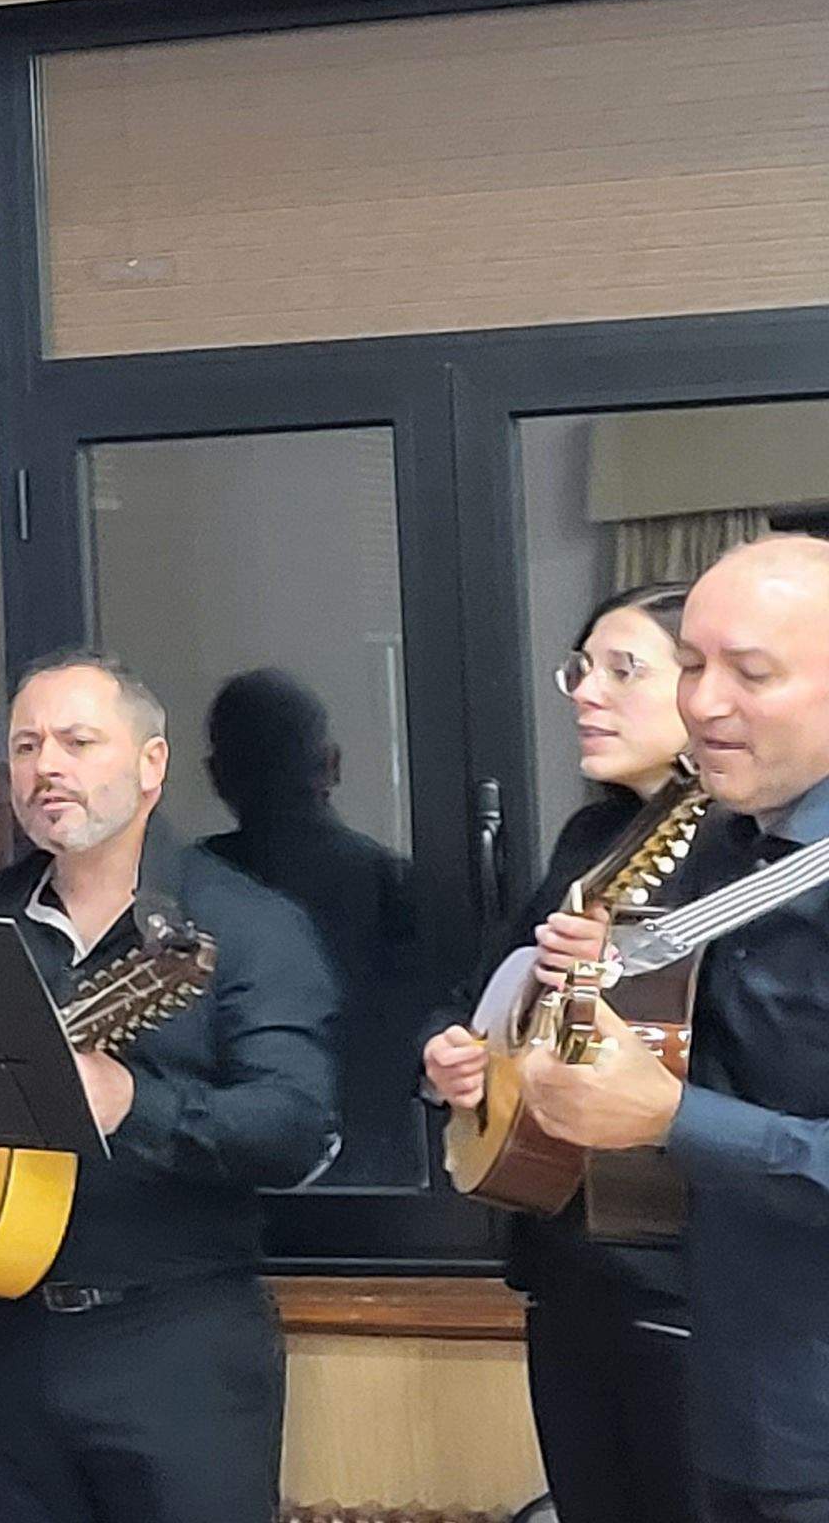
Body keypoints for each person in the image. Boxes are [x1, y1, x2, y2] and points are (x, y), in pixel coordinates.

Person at [0, 650, 339, 1523]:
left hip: (181, 1346)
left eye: (78, 741)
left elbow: (294, 1128)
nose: (46, 765)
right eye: (25, 746)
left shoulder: (247, 927)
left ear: (151, 766)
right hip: (9, 1341)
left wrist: (135, 1103)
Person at [519, 535, 829, 1523]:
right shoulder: (718, 850)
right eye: (692, 664)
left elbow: (684, 1112)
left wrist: (666, 1116)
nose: (702, 701)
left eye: (752, 673)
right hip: (726, 1391)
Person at [423, 583, 704, 1523]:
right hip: (562, 1262)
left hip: (685, 1281)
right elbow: (492, 997)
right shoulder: (590, 839)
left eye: (624, 670)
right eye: (580, 670)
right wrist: (457, 1063)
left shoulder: (748, 856)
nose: (587, 692)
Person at [200, 666, 441, 1185]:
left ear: (217, 775)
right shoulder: (395, 881)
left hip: (226, 1177)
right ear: (331, 765)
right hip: (385, 1194)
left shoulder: (185, 890)